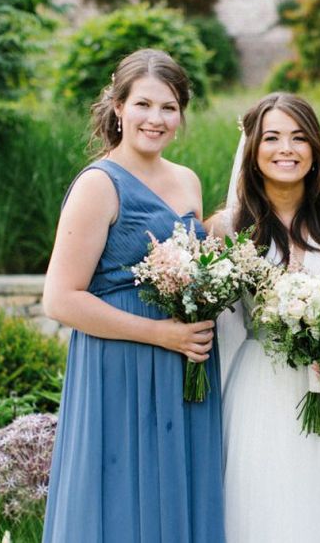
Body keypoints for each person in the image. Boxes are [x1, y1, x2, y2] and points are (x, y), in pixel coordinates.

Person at [42, 49, 224, 543]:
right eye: (143, 104)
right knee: (120, 498)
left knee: (176, 498)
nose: (156, 119)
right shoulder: (99, 185)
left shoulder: (186, 180)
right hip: (120, 366)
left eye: (169, 107)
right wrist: (160, 334)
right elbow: (60, 299)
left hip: (184, 364)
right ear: (118, 106)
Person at [205, 93, 320, 543]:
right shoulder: (228, 228)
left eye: (299, 137)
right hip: (261, 385)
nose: (286, 149)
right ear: (253, 149)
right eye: (272, 137)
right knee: (260, 505)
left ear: (315, 149)